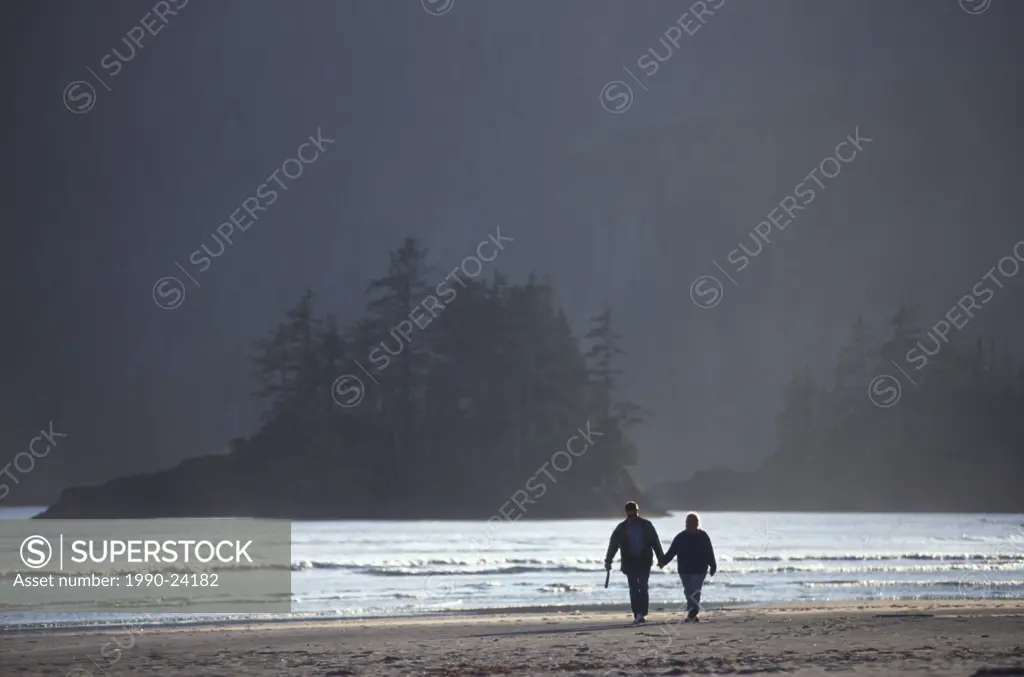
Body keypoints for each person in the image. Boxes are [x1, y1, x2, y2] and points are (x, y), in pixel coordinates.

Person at [604, 501, 665, 624]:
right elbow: (613, 544)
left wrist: (661, 558)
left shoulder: (646, 525)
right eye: (630, 514)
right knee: (633, 588)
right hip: (629, 561)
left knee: (643, 586)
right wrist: (608, 560)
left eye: (634, 513)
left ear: (637, 511)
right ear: (626, 513)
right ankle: (637, 613)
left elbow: (655, 542)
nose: (632, 516)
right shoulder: (621, 528)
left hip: (644, 561)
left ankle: (642, 612)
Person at [659, 512, 716, 622]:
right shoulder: (681, 537)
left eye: (692, 522)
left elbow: (709, 551)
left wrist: (713, 565)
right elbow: (672, 551)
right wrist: (663, 562)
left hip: (699, 569)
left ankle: (693, 611)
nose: (689, 524)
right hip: (684, 570)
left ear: (697, 523)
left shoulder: (703, 536)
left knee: (695, 590)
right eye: (687, 522)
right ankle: (692, 612)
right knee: (688, 591)